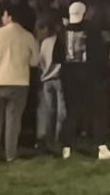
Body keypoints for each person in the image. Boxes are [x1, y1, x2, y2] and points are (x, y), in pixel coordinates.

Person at [59, 1, 110, 160]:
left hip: (69, 78)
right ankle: (101, 147)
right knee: (98, 111)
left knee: (72, 112)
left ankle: (67, 147)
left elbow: (56, 57)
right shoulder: (92, 31)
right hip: (91, 78)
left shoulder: (62, 32)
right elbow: (99, 55)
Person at [0, 5, 40, 164]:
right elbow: (34, 61)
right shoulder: (27, 36)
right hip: (18, 82)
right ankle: (10, 154)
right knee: (13, 120)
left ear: (8, 16)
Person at [36, 18, 66, 154]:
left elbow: (40, 61)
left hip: (46, 79)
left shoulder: (44, 43)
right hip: (59, 78)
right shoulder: (62, 41)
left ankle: (48, 140)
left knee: (49, 111)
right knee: (61, 111)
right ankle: (59, 139)